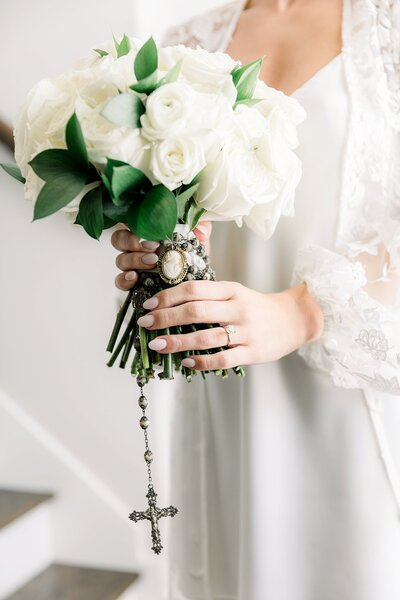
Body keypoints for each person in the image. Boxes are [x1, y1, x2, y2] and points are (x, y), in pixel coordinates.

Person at [111, 1, 400, 598]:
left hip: (353, 400)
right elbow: (181, 214)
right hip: (228, 403)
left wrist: (303, 310)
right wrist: (157, 244)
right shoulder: (186, 44)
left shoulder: (388, 24)